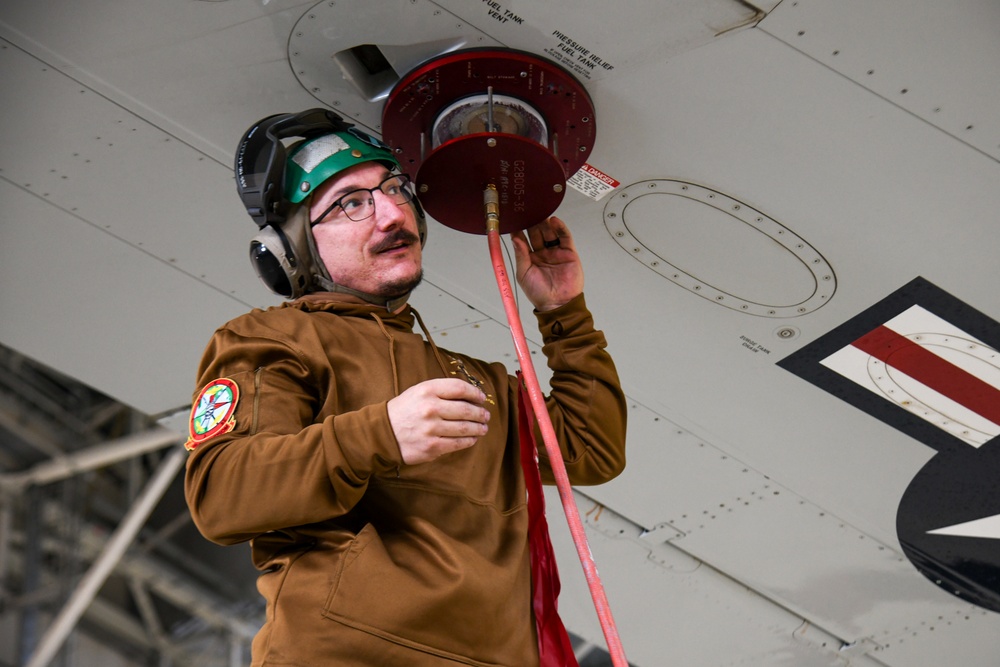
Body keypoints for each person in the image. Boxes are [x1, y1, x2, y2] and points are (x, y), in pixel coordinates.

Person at [183, 109, 627, 666]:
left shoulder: (475, 381)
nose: (393, 214)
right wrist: (381, 434)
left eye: (394, 189)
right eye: (351, 202)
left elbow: (591, 450)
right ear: (292, 247)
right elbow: (222, 496)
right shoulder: (272, 337)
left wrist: (564, 312)